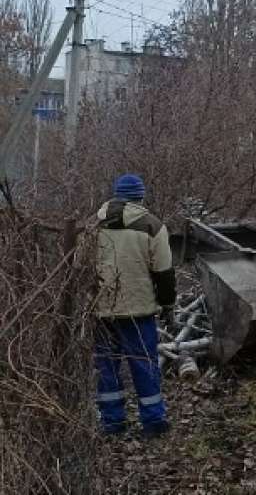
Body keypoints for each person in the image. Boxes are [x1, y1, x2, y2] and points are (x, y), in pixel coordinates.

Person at [94, 174, 175, 437]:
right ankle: (153, 423)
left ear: (116, 195)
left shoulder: (93, 225)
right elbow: (164, 272)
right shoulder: (152, 225)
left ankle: (112, 423)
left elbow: (79, 268)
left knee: (107, 367)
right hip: (138, 311)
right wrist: (167, 305)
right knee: (143, 364)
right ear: (140, 197)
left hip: (102, 310)